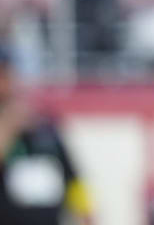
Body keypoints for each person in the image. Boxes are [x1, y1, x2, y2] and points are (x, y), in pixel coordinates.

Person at [0, 45, 93, 225]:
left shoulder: (43, 123)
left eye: (7, 74)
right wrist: (8, 127)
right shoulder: (9, 123)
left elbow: (71, 174)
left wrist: (87, 214)